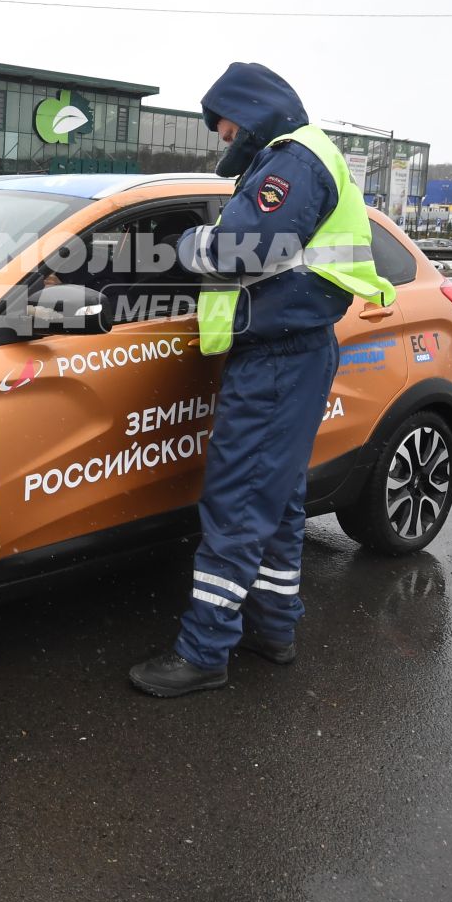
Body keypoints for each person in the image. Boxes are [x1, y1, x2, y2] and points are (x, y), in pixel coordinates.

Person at [129, 63, 394, 697]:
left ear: (246, 108)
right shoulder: (301, 158)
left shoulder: (291, 162)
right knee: (274, 504)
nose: (221, 137)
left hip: (279, 357)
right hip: (290, 351)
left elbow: (241, 250)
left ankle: (204, 653)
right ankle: (274, 627)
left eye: (221, 124)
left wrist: (190, 243)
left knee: (239, 501)